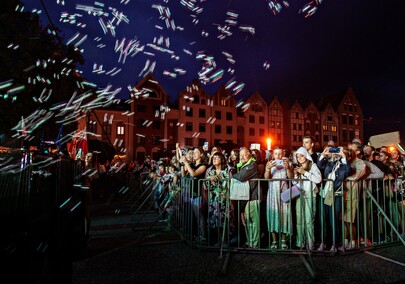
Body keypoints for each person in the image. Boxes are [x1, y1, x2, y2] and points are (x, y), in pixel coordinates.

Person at [317, 146, 351, 252]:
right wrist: (324, 153)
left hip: (336, 195)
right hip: (324, 194)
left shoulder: (344, 165)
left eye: (339, 151)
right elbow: (319, 165)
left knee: (333, 220)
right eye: (335, 151)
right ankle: (323, 242)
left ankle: (334, 245)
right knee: (323, 220)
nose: (336, 153)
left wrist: (343, 156)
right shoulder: (328, 163)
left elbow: (347, 172)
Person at [293, 147, 322, 250]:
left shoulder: (312, 165)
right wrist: (296, 175)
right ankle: (300, 243)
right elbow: (294, 183)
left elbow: (318, 179)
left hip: (310, 194)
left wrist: (304, 172)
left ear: (306, 155)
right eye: (298, 156)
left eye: (301, 156)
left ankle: (310, 243)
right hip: (299, 194)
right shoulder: (297, 166)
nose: (300, 158)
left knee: (309, 219)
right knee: (299, 219)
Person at [264, 146, 294, 249]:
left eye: (280, 153)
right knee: (273, 214)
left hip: (284, 191)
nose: (278, 156)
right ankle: (274, 241)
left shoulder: (287, 163)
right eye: (276, 153)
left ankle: (283, 240)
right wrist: (267, 168)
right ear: (273, 155)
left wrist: (288, 168)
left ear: (283, 154)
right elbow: (266, 178)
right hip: (273, 192)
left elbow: (291, 178)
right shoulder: (270, 164)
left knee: (284, 214)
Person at [232, 147, 261, 248]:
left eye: (244, 155)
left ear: (250, 154)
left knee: (254, 222)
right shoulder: (245, 165)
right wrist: (237, 172)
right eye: (240, 155)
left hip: (253, 196)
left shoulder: (252, 165)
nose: (242, 157)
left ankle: (255, 243)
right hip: (247, 196)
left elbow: (241, 177)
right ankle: (250, 242)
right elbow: (239, 173)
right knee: (248, 220)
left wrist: (233, 175)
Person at [180, 147, 208, 244]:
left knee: (201, 216)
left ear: (201, 154)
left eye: (197, 152)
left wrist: (186, 163)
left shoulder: (203, 165)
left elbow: (194, 174)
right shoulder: (192, 164)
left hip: (199, 193)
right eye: (194, 152)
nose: (194, 154)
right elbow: (184, 175)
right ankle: (199, 235)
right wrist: (183, 164)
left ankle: (204, 237)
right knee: (196, 216)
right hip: (192, 193)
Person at [204, 151, 232, 246]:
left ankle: (225, 241)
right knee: (216, 222)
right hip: (214, 199)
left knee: (224, 221)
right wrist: (208, 179)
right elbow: (205, 185)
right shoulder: (210, 172)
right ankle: (220, 241)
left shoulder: (226, 171)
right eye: (213, 158)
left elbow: (229, 185)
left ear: (222, 159)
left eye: (217, 157)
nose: (214, 159)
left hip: (224, 200)